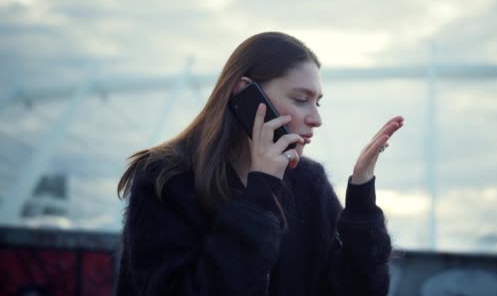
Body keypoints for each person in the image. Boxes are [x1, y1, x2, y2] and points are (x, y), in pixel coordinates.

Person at [114, 31, 404, 295]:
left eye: (318, 102)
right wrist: (259, 194)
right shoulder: (166, 178)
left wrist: (362, 200)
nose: (316, 119)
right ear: (245, 93)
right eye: (301, 99)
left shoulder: (307, 181)